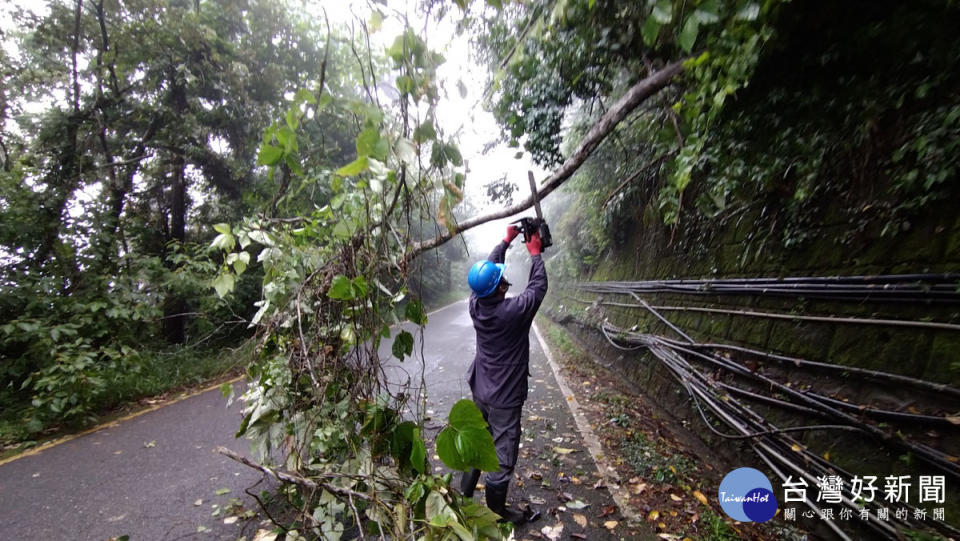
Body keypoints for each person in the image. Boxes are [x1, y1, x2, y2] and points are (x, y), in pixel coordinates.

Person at [461, 224, 548, 524]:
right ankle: (497, 511)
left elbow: (486, 272)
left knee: (476, 440)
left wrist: (505, 241)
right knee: (502, 452)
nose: (505, 284)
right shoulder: (512, 313)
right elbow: (538, 288)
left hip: (480, 388)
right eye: (502, 282)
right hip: (504, 398)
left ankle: (463, 496)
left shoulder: (476, 304)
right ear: (498, 289)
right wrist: (535, 254)